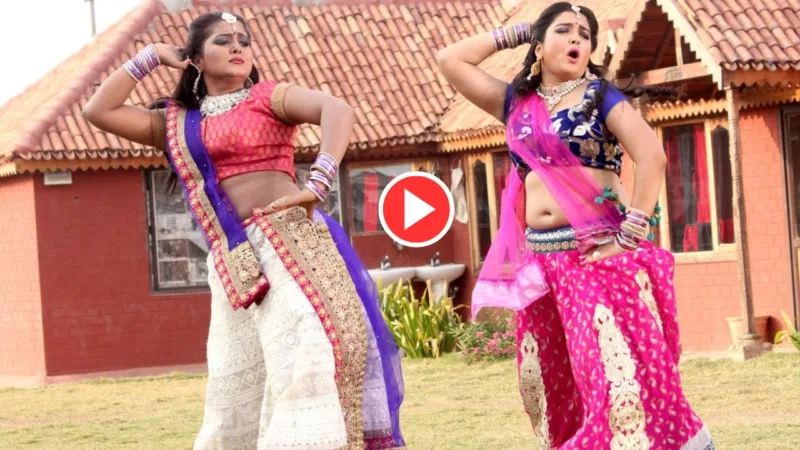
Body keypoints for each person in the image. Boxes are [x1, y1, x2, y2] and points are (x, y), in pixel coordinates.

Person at [84, 11, 404, 450]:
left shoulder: (268, 97)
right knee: (236, 378)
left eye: (244, 41)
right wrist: (151, 56)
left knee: (309, 344)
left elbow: (337, 109)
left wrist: (318, 182)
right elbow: (98, 111)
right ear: (195, 58)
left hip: (290, 242)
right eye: (222, 41)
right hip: (234, 261)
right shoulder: (177, 124)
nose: (237, 47)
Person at [437, 3, 715, 449]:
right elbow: (451, 59)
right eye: (564, 31)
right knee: (556, 383)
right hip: (543, 266)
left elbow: (653, 157)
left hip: (595, 256)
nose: (575, 39)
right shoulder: (516, 104)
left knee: (611, 374)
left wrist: (629, 237)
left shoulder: (600, 96)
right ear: (539, 46)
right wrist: (525, 29)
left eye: (584, 35)